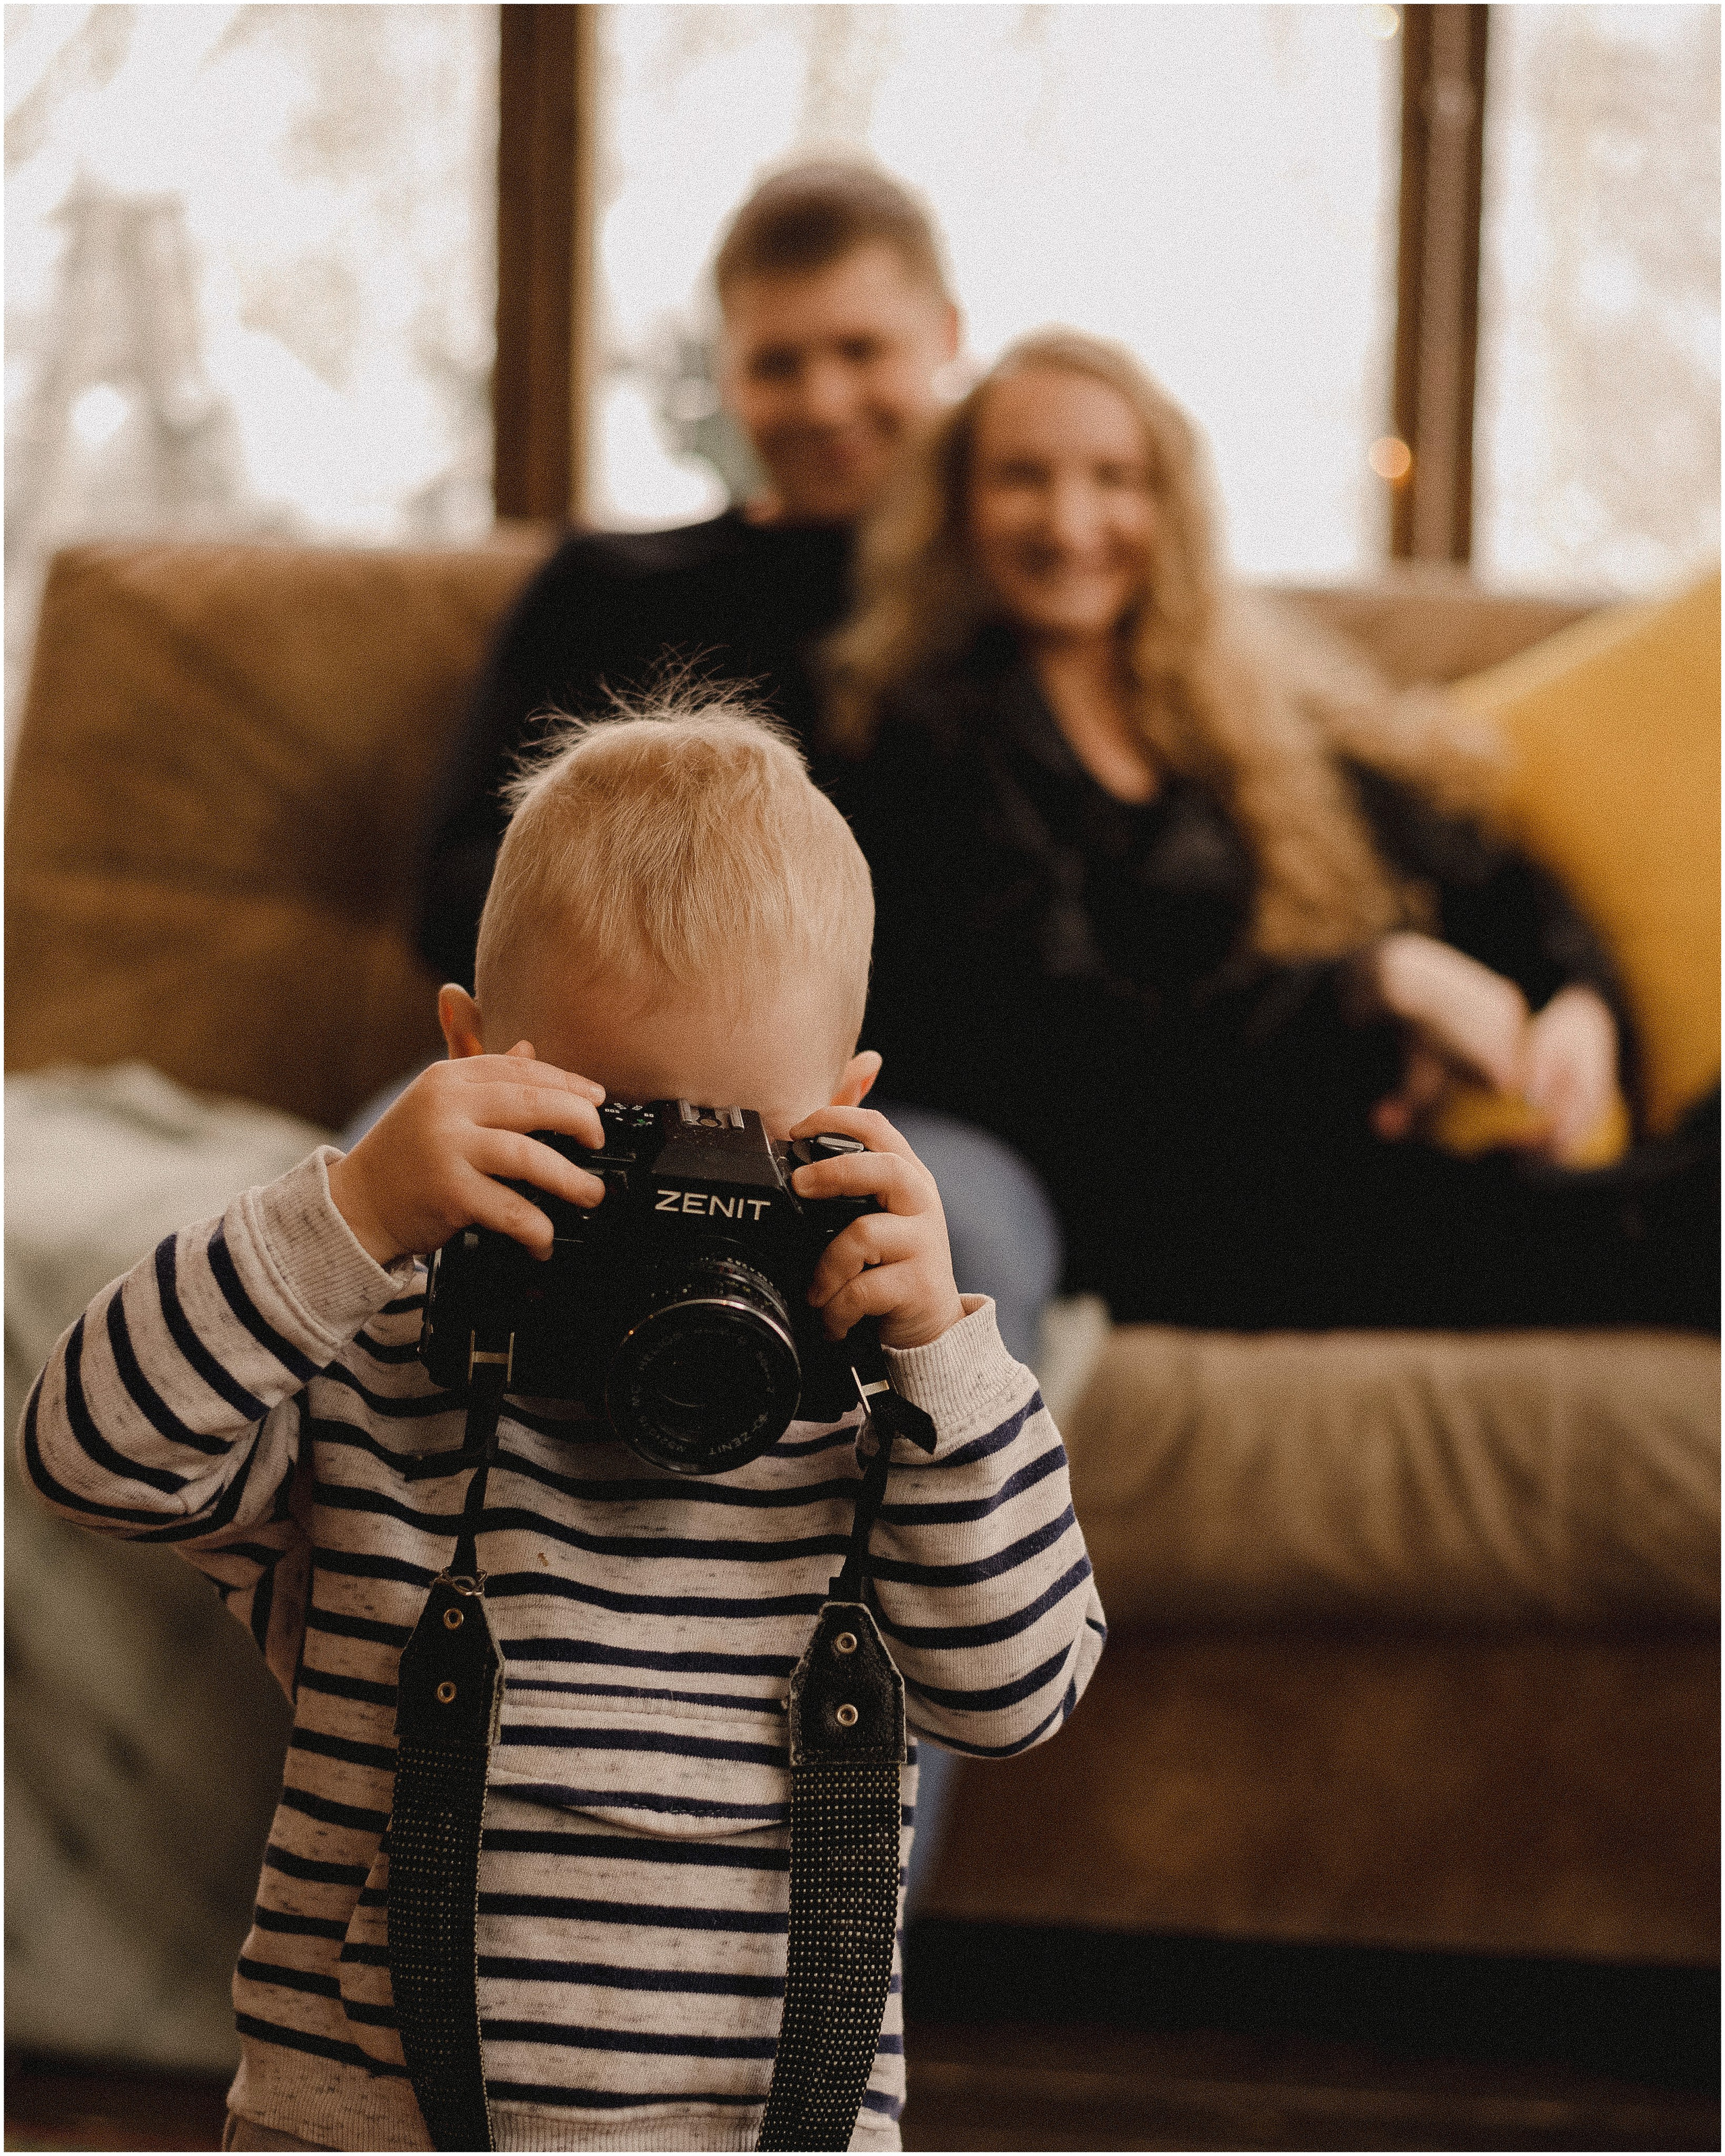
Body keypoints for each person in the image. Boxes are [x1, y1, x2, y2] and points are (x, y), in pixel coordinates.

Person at [22, 704, 1105, 2153]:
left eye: (736, 1149)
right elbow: (87, 1449)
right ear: (467, 1061)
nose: (672, 1218)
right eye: (613, 1140)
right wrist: (343, 1219)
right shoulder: (378, 1376)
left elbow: (1021, 1689)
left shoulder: (875, 1428)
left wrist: (941, 1356)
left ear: (844, 1113)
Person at [826, 329, 1717, 1333]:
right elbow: (1067, 1047)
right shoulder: (927, 736)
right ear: (959, 508)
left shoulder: (1227, 703)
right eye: (1023, 479)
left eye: (1115, 478)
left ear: (1168, 505)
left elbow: (1489, 870)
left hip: (1308, 1153)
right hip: (1165, 1192)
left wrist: (1578, 998)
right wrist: (1372, 988)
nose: (1073, 523)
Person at [403, 156, 1061, 1376]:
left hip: (891, 1118)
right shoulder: (604, 591)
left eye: (862, 350)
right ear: (726, 374)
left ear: (948, 343)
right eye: (777, 362)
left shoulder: (1018, 611)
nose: (823, 400)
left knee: (948, 1242)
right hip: (584, 1094)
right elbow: (459, 888)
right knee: (382, 1216)